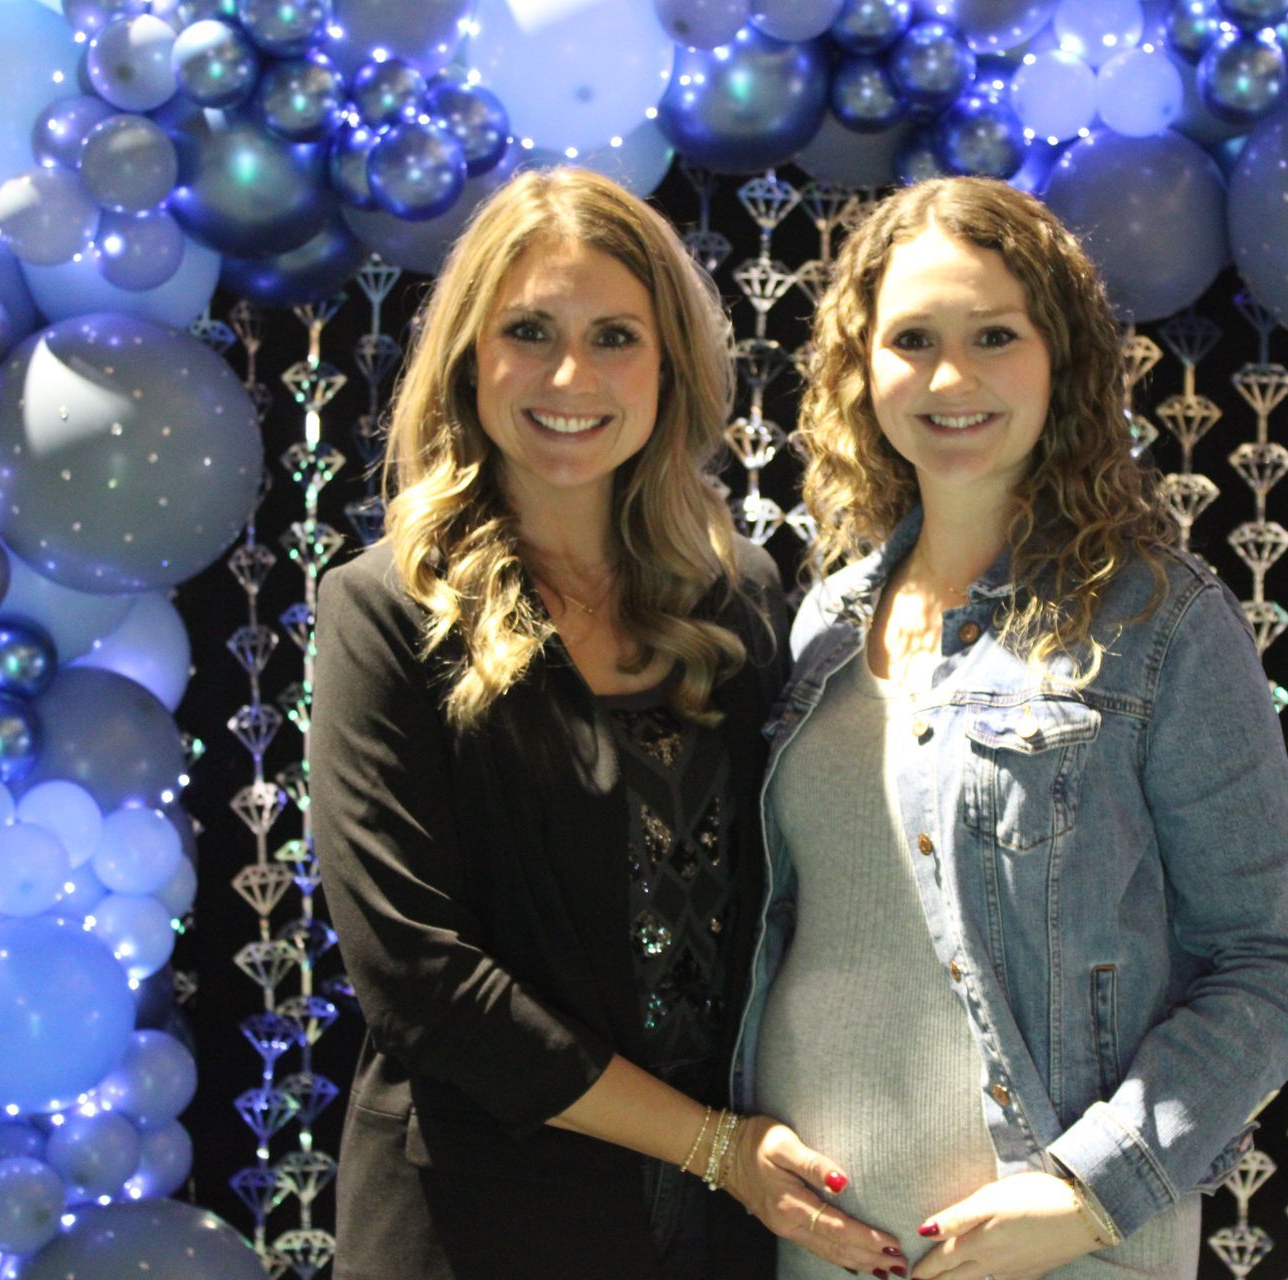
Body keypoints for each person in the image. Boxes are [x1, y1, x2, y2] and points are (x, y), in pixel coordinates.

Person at [729, 177, 1288, 1280]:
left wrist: (1092, 1187)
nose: (951, 377)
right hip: (817, 1243)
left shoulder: (1161, 618)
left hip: (1062, 1251)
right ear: (862, 367)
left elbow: (1272, 957)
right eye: (912, 338)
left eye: (994, 336)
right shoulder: (820, 624)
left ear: (1062, 357)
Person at [311, 167, 902, 1280]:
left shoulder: (740, 599)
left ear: (668, 365)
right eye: (528, 329)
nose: (570, 374)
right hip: (473, 1228)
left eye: (615, 335)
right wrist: (714, 1146)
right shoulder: (383, 608)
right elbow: (419, 981)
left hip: (719, 1231)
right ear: (468, 359)